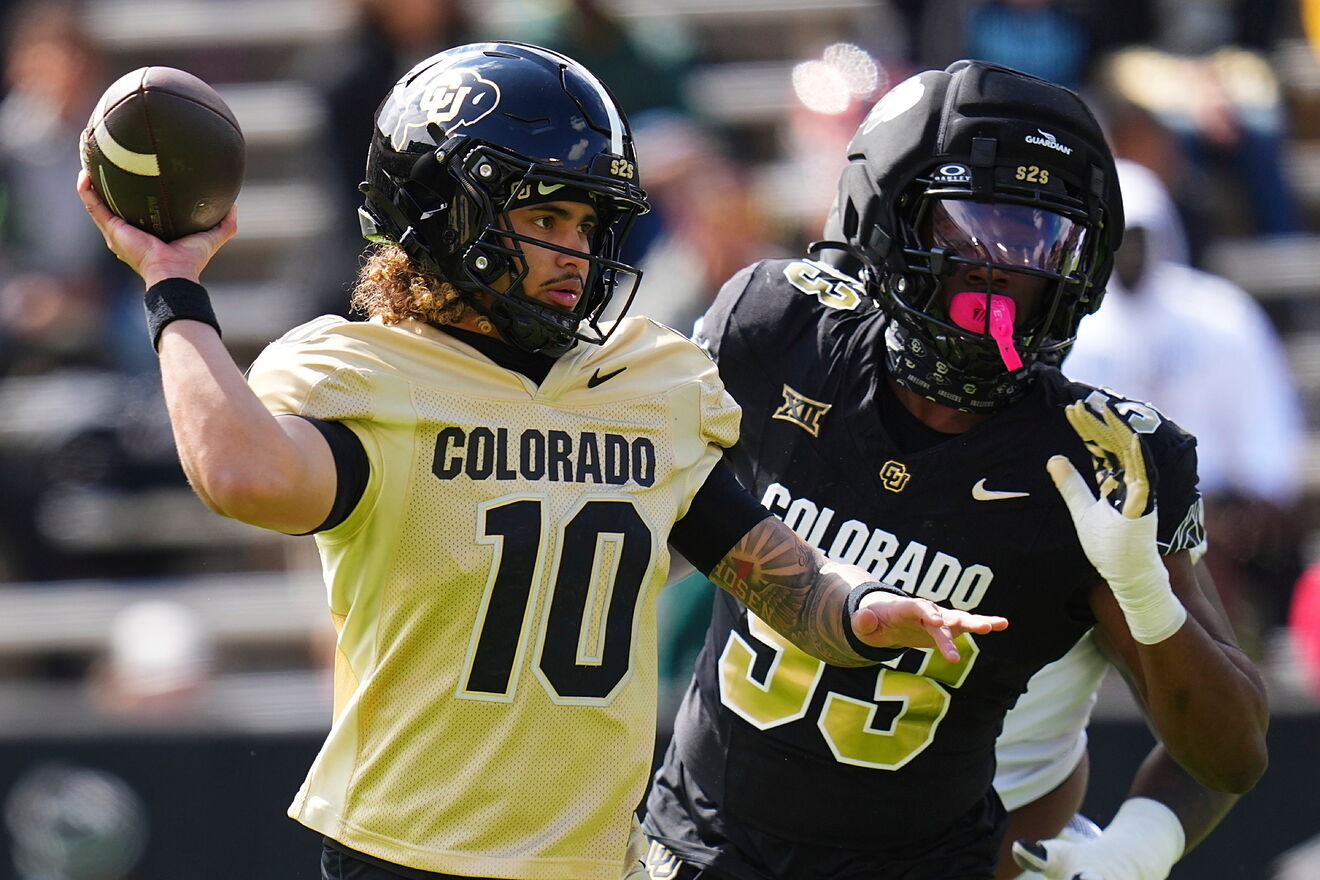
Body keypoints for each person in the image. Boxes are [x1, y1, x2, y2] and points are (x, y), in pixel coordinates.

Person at [75, 43, 1008, 880]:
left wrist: (851, 607)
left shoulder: (651, 381)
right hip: (408, 854)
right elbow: (245, 476)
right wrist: (172, 286)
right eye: (548, 218)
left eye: (589, 224)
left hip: (593, 861)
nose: (578, 251)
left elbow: (752, 552)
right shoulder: (369, 375)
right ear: (447, 211)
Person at [641, 60, 1268, 880]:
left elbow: (1230, 755)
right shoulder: (781, 333)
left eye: (1042, 241)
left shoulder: (1093, 459)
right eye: (972, 232)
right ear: (888, 221)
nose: (1005, 268)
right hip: (704, 842)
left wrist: (1147, 597)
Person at [1065, 158, 1304, 649]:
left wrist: (1257, 491)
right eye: (1119, 238)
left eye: (1140, 236)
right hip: (1106, 510)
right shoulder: (1078, 325)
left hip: (1219, 510)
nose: (1130, 252)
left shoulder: (1218, 313)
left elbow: (1263, 422)